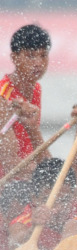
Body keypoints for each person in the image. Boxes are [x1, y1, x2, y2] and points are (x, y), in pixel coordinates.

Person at [0, 24, 51, 175]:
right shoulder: (3, 97)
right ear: (14, 58)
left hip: (27, 174)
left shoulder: (36, 89)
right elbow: (9, 162)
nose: (38, 63)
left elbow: (35, 148)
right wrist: (45, 175)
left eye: (43, 55)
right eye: (31, 56)